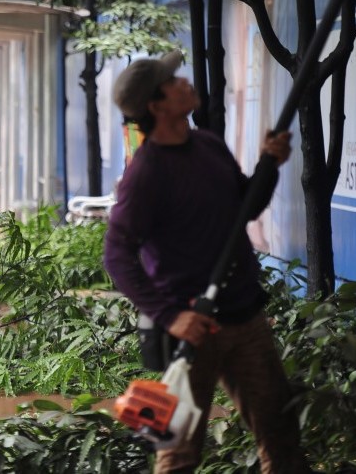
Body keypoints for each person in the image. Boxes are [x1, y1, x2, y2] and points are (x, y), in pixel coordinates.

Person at [103, 50, 308, 473]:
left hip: (244, 316)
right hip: (190, 331)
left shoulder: (208, 145)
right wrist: (170, 315)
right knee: (178, 453)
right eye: (173, 81)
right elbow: (117, 255)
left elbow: (244, 210)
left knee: (281, 433)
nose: (185, 83)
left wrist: (269, 165)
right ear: (156, 106)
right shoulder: (146, 174)